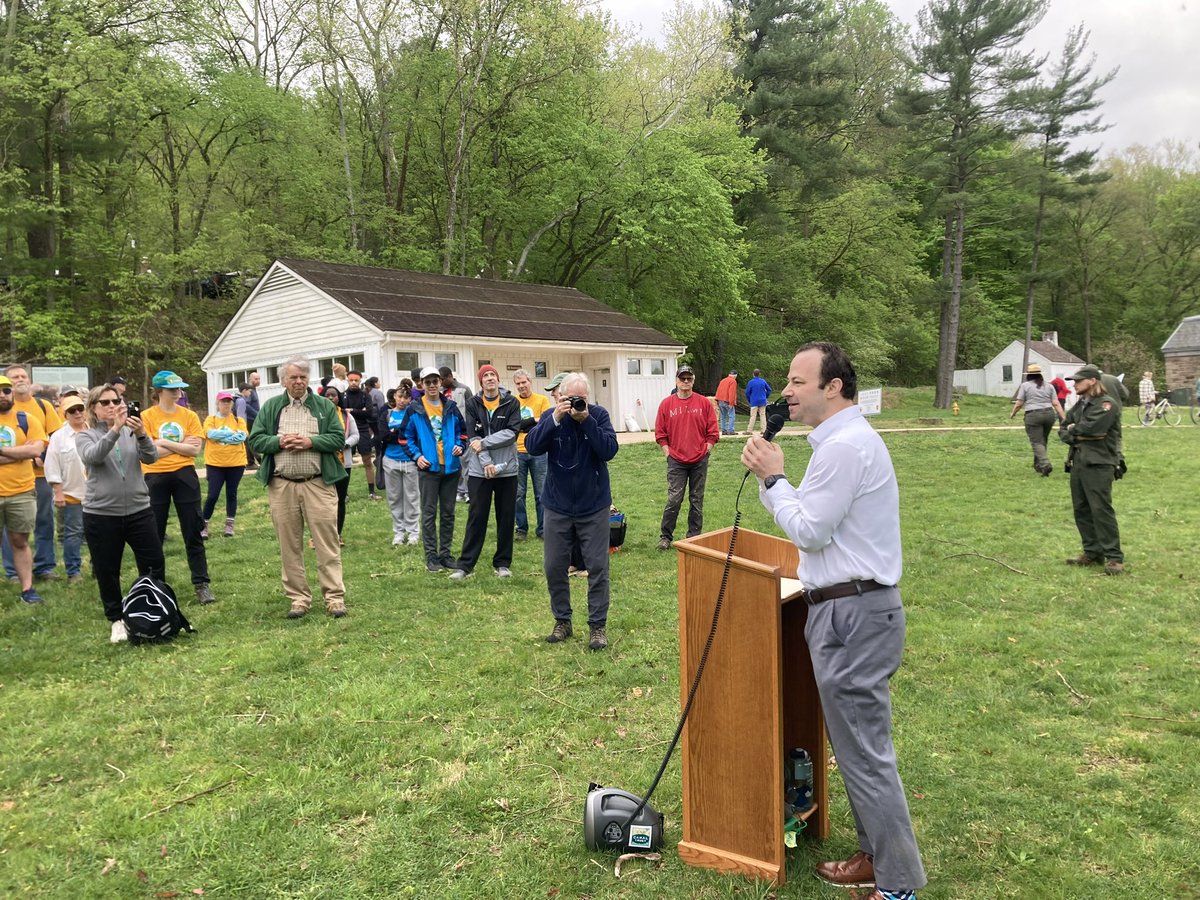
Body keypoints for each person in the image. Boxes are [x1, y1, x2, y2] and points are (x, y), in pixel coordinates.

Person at [741, 342, 926, 897]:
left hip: (853, 615)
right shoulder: (842, 443)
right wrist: (779, 485)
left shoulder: (844, 447)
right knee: (855, 748)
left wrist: (774, 480)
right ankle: (875, 856)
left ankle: (898, 885)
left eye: (798, 382)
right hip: (849, 610)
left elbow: (811, 532)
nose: (786, 392)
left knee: (866, 754)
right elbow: (822, 529)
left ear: (834, 387)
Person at [248, 356, 349, 619]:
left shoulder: (324, 406)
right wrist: (279, 442)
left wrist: (309, 442)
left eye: (303, 377)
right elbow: (256, 440)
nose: (298, 381)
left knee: (327, 542)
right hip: (282, 486)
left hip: (318, 483)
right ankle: (298, 598)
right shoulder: (272, 407)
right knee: (289, 544)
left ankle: (334, 597)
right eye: (293, 377)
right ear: (284, 381)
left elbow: (338, 438)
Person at [525, 372, 619, 651]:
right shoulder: (551, 417)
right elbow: (532, 446)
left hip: (593, 505)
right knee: (554, 566)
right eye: (571, 398)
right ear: (560, 397)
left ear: (588, 397)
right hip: (558, 505)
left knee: (598, 567)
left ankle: (597, 627)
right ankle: (562, 621)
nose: (577, 402)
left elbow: (609, 450)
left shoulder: (598, 416)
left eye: (582, 398)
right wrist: (556, 419)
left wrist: (586, 420)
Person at [76, 384, 164, 642]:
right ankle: (116, 618)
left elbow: (151, 458)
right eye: (105, 403)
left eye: (116, 401)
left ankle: (152, 609)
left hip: (138, 509)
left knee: (153, 561)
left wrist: (141, 434)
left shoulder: (130, 432)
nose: (113, 405)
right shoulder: (85, 435)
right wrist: (115, 429)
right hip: (101, 513)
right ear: (94, 408)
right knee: (107, 568)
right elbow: (94, 456)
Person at [141, 370, 215, 605]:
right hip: (154, 476)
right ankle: (154, 585)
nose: (178, 392)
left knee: (193, 529)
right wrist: (178, 445)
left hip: (185, 474)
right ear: (159, 391)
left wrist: (161, 443)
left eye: (180, 388)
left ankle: (202, 584)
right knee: (155, 533)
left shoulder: (190, 415)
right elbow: (147, 454)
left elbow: (195, 450)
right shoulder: (146, 416)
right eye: (173, 389)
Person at [450, 365, 521, 581]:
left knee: (506, 517)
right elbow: (472, 436)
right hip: (480, 471)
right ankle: (465, 566)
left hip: (507, 469)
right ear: (481, 382)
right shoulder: (473, 404)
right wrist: (486, 461)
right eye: (486, 376)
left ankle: (502, 563)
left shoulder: (511, 402)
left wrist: (484, 443)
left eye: (493, 375)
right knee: (476, 516)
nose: (490, 378)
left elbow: (511, 433)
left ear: (498, 380)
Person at [1060, 364, 1124, 575]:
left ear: (1092, 381)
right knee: (1081, 509)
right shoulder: (1081, 404)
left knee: (1101, 509)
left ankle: (1114, 558)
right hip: (1078, 461)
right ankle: (1092, 552)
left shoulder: (1106, 404)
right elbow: (1064, 427)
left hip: (1099, 463)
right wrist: (1073, 431)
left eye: (1078, 381)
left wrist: (1075, 431)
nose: (1075, 384)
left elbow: (1091, 428)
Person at [402, 367, 467, 572]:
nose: (431, 385)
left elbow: (462, 433)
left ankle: (445, 555)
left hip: (450, 468)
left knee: (448, 513)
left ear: (440, 383)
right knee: (429, 513)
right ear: (421, 384)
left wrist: (460, 445)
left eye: (434, 381)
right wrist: (417, 457)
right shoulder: (415, 408)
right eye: (427, 382)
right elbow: (405, 437)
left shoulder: (451, 407)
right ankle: (431, 557)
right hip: (428, 468)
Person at [2, 363, 61, 582]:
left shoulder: (42, 406)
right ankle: (12, 572)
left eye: (23, 375)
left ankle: (44, 567)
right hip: (12, 479)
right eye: (14, 377)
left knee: (44, 521)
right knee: (12, 528)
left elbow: (54, 439)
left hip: (41, 475)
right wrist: (25, 451)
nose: (20, 379)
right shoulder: (4, 407)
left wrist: (38, 455)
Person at [655, 364, 719, 549]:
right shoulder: (667, 404)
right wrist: (667, 452)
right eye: (682, 378)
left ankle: (694, 538)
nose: (685, 382)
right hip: (676, 460)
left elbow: (713, 430)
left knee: (696, 499)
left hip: (699, 459)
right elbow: (660, 433)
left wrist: (708, 447)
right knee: (674, 498)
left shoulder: (703, 403)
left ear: (693, 381)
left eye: (688, 379)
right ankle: (665, 537)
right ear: (676, 380)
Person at [0, 374, 48, 604]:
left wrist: (6, 453)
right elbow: (26, 452)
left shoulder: (27, 419)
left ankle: (27, 590)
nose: (2, 395)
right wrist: (19, 453)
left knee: (20, 541)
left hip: (21, 491)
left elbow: (35, 451)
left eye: (6, 390)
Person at [44, 394, 88, 583]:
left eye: (80, 409)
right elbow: (52, 464)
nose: (77, 413)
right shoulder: (59, 437)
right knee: (73, 534)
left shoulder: (95, 430)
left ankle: (100, 567)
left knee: (100, 533)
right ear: (65, 414)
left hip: (98, 494)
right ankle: (73, 572)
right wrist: (58, 491)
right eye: (72, 410)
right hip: (72, 493)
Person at [201, 391, 249, 538]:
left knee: (231, 493)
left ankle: (229, 525)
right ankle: (203, 525)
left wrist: (221, 436)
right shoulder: (211, 419)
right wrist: (231, 436)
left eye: (228, 402)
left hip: (236, 463)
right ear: (217, 403)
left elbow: (242, 436)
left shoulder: (238, 420)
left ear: (232, 404)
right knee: (212, 495)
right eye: (223, 402)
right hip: (215, 463)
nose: (226, 404)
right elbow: (210, 434)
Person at [379, 379, 420, 547]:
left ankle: (413, 533)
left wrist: (397, 433)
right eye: (399, 397)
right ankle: (398, 532)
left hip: (410, 460)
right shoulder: (386, 414)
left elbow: (413, 436)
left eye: (406, 397)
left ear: (410, 399)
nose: (402, 400)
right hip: (391, 460)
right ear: (394, 397)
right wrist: (400, 435)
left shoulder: (414, 414)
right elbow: (384, 436)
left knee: (412, 497)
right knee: (395, 498)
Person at [512, 369, 551, 541]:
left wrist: (524, 425)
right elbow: (512, 426)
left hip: (539, 451)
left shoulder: (542, 400)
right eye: (518, 383)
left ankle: (543, 529)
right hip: (517, 452)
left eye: (524, 382)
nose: (521, 386)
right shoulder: (512, 403)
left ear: (530, 382)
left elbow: (545, 423)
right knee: (518, 493)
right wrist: (531, 421)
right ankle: (521, 528)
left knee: (541, 492)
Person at [1009, 363, 1065, 477]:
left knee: (1036, 441)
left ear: (1028, 375)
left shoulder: (1025, 386)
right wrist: (1063, 417)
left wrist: (1013, 413)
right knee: (1043, 440)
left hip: (1033, 415)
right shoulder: (1049, 386)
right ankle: (1038, 465)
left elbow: (1019, 403)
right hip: (1049, 414)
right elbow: (1056, 403)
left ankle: (1045, 465)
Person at [320, 385, 358, 543]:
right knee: (322, 501)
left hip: (343, 464)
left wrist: (346, 444)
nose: (330, 398)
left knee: (340, 499)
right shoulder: (318, 415)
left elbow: (355, 435)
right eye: (327, 395)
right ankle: (320, 536)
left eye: (333, 395)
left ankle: (337, 534)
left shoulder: (347, 416)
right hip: (324, 464)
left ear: (339, 397)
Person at [342, 371, 379, 500]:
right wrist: (359, 411)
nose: (353, 382)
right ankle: (344, 493)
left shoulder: (365, 395)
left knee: (367, 461)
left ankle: (371, 492)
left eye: (356, 380)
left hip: (363, 430)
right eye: (351, 380)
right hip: (347, 432)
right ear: (347, 380)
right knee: (346, 464)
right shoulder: (343, 396)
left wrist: (351, 410)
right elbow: (342, 412)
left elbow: (369, 412)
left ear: (360, 380)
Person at [440, 367, 474, 502]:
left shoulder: (464, 389)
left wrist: (471, 429)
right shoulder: (441, 392)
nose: (440, 382)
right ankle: (460, 491)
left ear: (449, 376)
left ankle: (469, 491)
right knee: (456, 461)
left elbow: (472, 410)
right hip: (448, 434)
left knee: (467, 462)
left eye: (442, 379)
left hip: (464, 432)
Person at [243, 371, 262, 470]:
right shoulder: (250, 391)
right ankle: (251, 463)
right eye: (256, 379)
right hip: (250, 420)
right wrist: (256, 414)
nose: (258, 381)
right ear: (250, 379)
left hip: (253, 419)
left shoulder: (253, 389)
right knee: (250, 440)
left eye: (259, 379)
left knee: (251, 440)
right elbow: (245, 405)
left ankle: (254, 461)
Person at [745, 368, 772, 435]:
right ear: (759, 374)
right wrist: (766, 396)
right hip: (762, 400)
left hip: (754, 401)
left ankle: (749, 430)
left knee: (753, 416)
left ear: (753, 374)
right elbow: (769, 390)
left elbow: (747, 392)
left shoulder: (751, 382)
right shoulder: (763, 381)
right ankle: (764, 430)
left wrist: (749, 399)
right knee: (762, 415)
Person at [715, 369, 738, 435]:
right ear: (735, 375)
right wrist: (731, 402)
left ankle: (723, 430)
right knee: (732, 415)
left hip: (720, 400)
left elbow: (718, 390)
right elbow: (732, 393)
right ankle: (730, 430)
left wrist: (717, 400)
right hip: (727, 401)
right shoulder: (733, 381)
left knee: (723, 416)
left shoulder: (723, 380)